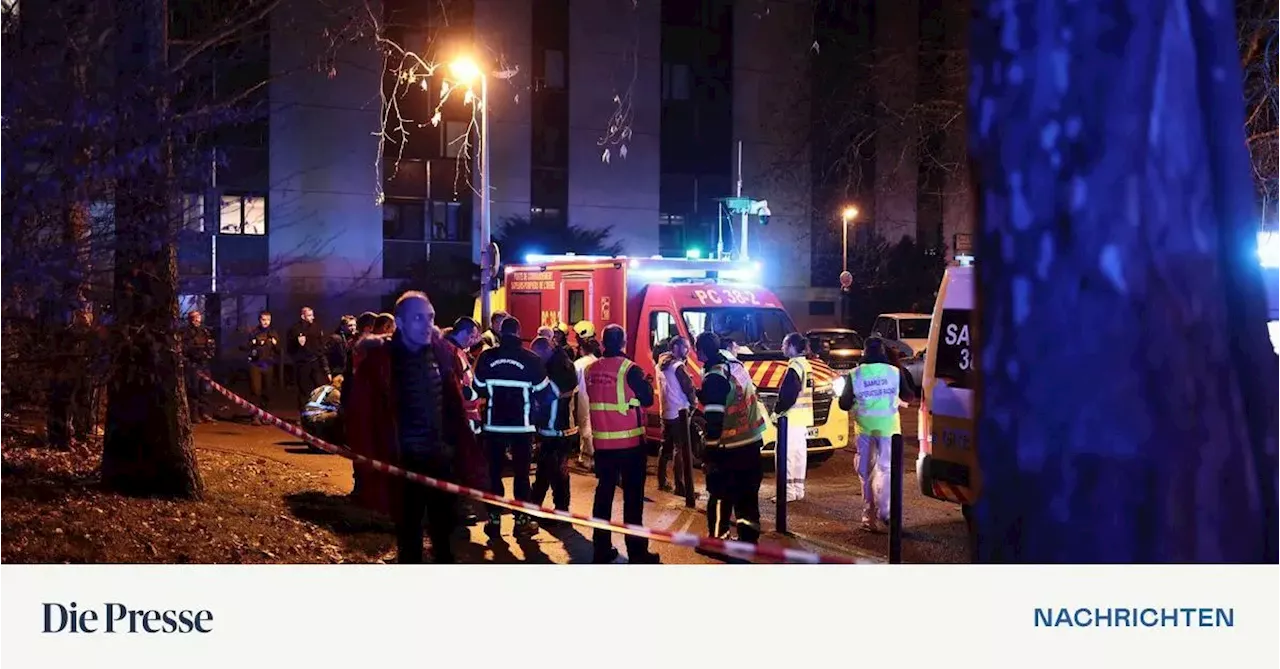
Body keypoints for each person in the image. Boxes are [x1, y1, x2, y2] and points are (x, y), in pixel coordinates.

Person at [344, 291, 471, 563]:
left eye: (431, 317)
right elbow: (362, 418)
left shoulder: (441, 354)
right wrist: (371, 464)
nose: (427, 324)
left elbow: (453, 409)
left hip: (441, 463)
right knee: (410, 539)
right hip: (404, 465)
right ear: (399, 322)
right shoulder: (380, 361)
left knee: (445, 538)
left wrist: (461, 454)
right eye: (417, 318)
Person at [584, 324, 659, 564]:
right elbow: (647, 399)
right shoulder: (630, 369)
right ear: (624, 342)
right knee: (633, 500)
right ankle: (637, 553)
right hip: (630, 444)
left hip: (603, 445)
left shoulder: (591, 370)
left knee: (603, 497)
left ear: (604, 342)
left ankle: (601, 549)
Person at [473, 315, 549, 538]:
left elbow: (478, 389)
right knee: (522, 475)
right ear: (518, 332)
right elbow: (544, 394)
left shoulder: (487, 358)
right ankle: (521, 521)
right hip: (522, 427)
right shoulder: (531, 359)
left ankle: (494, 520)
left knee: (494, 473)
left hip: (494, 425)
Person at [695, 331, 766, 544]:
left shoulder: (715, 377)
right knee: (747, 496)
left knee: (719, 494)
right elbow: (733, 394)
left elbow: (714, 421)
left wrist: (709, 454)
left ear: (701, 352)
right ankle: (748, 539)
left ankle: (718, 538)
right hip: (752, 441)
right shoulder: (734, 364)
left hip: (730, 446)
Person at [838, 336, 913, 532]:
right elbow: (908, 396)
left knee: (866, 473)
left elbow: (844, 404)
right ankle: (886, 512)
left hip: (865, 430)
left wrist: (857, 401)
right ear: (882, 352)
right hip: (890, 430)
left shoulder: (855, 374)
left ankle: (868, 517)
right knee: (887, 471)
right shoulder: (895, 372)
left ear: (864, 352)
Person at [444, 317, 487, 525]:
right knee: (460, 464)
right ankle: (460, 508)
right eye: (474, 335)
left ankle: (459, 506)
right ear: (467, 332)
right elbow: (460, 387)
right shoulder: (453, 353)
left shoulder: (456, 352)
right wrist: (477, 396)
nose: (475, 340)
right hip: (462, 418)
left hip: (466, 416)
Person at [530, 335, 577, 519]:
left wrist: (534, 395)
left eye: (538, 355)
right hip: (556, 428)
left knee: (551, 472)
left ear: (545, 351)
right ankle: (556, 510)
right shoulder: (559, 363)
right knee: (552, 471)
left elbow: (548, 395)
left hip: (557, 429)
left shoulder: (560, 367)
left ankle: (540, 509)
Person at [771, 332, 814, 502]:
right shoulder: (807, 365)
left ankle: (787, 491)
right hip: (802, 418)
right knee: (798, 455)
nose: (782, 347)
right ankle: (797, 488)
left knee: (785, 455)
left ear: (792, 347)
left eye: (784, 344)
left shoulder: (795, 366)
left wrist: (777, 411)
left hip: (790, 418)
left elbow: (789, 394)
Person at [656, 335, 697, 496]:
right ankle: (680, 486)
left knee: (665, 447)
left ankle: (662, 480)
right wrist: (693, 403)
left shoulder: (659, 365)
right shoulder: (678, 366)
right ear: (675, 347)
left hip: (665, 411)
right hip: (680, 411)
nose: (687, 350)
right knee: (679, 449)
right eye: (684, 347)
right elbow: (688, 387)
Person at [287, 306, 330, 415]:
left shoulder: (316, 328)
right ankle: (303, 414)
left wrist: (324, 367)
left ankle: (317, 412)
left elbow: (320, 347)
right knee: (303, 390)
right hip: (302, 364)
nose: (313, 317)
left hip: (315, 362)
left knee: (318, 389)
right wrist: (297, 346)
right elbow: (290, 348)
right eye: (310, 315)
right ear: (303, 316)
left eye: (312, 315)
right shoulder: (295, 329)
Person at [241, 310, 280, 425]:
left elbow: (279, 350)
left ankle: (265, 415)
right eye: (263, 319)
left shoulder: (273, 333)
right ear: (259, 320)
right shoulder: (254, 332)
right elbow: (244, 347)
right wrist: (253, 343)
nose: (266, 322)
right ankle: (255, 415)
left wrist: (275, 344)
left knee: (267, 391)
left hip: (268, 365)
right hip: (255, 365)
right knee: (255, 391)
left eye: (268, 320)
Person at [572, 325, 600, 471]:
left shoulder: (578, 364)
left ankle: (588, 459)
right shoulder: (598, 362)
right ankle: (588, 456)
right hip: (597, 397)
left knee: (585, 426)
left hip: (582, 396)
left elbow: (572, 383)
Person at [181, 310, 217, 423]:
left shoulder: (205, 331)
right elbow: (185, 349)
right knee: (194, 390)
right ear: (190, 319)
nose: (197, 319)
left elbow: (211, 345)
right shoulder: (185, 333)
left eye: (198, 317)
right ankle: (194, 415)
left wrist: (209, 353)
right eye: (194, 317)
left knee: (206, 389)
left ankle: (205, 413)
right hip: (193, 365)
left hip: (204, 364)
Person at [326, 315, 356, 380]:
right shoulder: (335, 338)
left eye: (354, 325)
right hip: (339, 374)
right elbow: (325, 355)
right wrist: (328, 372)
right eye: (350, 325)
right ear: (343, 327)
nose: (353, 328)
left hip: (351, 373)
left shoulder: (355, 339)